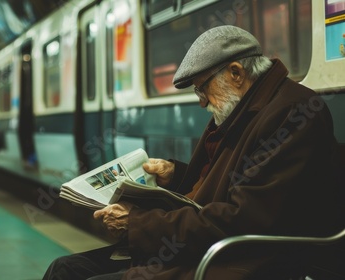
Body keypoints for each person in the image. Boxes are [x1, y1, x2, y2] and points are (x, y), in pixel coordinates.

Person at [42, 25, 344, 280]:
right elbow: (234, 186)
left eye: (202, 89)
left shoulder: (290, 113)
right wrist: (176, 176)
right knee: (65, 268)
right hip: (207, 245)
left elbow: (245, 218)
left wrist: (139, 224)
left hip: (239, 259)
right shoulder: (246, 108)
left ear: (236, 73)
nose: (201, 101)